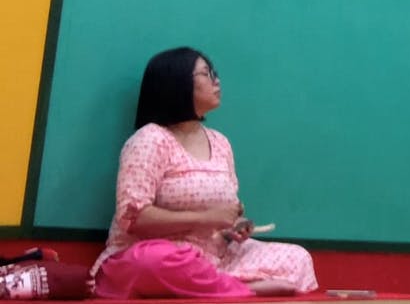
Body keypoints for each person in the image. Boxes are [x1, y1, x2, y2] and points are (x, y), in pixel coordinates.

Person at [91, 47, 318, 299]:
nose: (216, 81)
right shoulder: (150, 139)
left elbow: (220, 221)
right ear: (177, 82)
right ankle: (239, 288)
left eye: (215, 73)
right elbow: (133, 219)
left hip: (213, 258)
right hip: (160, 255)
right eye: (206, 74)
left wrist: (232, 228)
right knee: (154, 262)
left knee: (298, 258)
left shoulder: (220, 142)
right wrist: (206, 218)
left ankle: (218, 285)